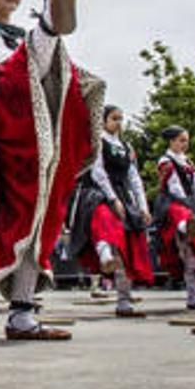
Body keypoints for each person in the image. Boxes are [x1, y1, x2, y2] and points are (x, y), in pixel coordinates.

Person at [0, 0, 105, 340]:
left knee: (39, 211)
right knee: (24, 209)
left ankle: (22, 315)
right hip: (6, 118)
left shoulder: (13, 35)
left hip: (35, 119)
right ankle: (49, 25)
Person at [66, 105, 153, 318]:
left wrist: (143, 206)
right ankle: (104, 255)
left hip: (122, 195)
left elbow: (134, 178)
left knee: (127, 246)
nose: (119, 123)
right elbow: (98, 172)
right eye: (114, 118)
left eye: (121, 119)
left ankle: (124, 301)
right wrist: (112, 198)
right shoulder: (97, 143)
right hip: (97, 194)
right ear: (103, 121)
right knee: (105, 222)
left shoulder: (126, 146)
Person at [151, 126, 195, 310]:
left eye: (186, 140)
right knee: (188, 248)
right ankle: (184, 226)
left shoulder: (187, 161)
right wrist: (188, 203)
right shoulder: (166, 161)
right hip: (172, 204)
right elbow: (173, 187)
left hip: (189, 204)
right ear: (171, 141)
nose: (184, 144)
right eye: (181, 140)